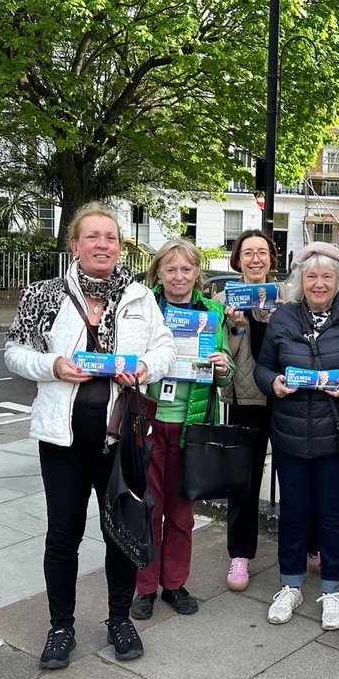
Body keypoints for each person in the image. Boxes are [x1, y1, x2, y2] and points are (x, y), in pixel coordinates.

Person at [4, 203, 176, 670]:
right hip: (63, 437)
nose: (103, 245)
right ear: (75, 245)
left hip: (121, 438)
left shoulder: (140, 296)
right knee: (64, 535)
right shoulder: (45, 294)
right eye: (93, 237)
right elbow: (15, 352)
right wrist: (53, 365)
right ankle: (61, 627)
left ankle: (120, 620)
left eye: (111, 238)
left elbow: (165, 347)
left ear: (121, 247)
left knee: (120, 531)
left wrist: (144, 366)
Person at [255, 242, 339, 629]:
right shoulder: (283, 318)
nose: (319, 284)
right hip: (289, 432)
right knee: (293, 512)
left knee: (333, 513)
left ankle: (333, 590)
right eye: (311, 276)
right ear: (299, 281)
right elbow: (263, 369)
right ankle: (290, 586)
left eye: (327, 276)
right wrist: (275, 383)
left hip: (335, 433)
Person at [132, 238, 233, 618]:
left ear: (197, 274)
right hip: (149, 423)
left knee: (181, 513)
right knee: (146, 509)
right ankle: (144, 587)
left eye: (186, 269)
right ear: (158, 272)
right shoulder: (143, 310)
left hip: (191, 428)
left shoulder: (212, 314)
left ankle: (174, 584)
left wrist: (224, 368)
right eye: (170, 268)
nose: (179, 276)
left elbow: (224, 380)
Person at [217, 229, 279, 591]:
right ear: (237, 259)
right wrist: (237, 324)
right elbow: (226, 353)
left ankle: (312, 547)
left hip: (285, 399)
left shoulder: (286, 297)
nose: (256, 259)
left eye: (262, 252)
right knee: (243, 483)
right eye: (248, 253)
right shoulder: (224, 299)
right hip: (244, 402)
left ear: (272, 258)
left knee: (298, 479)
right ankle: (239, 555)